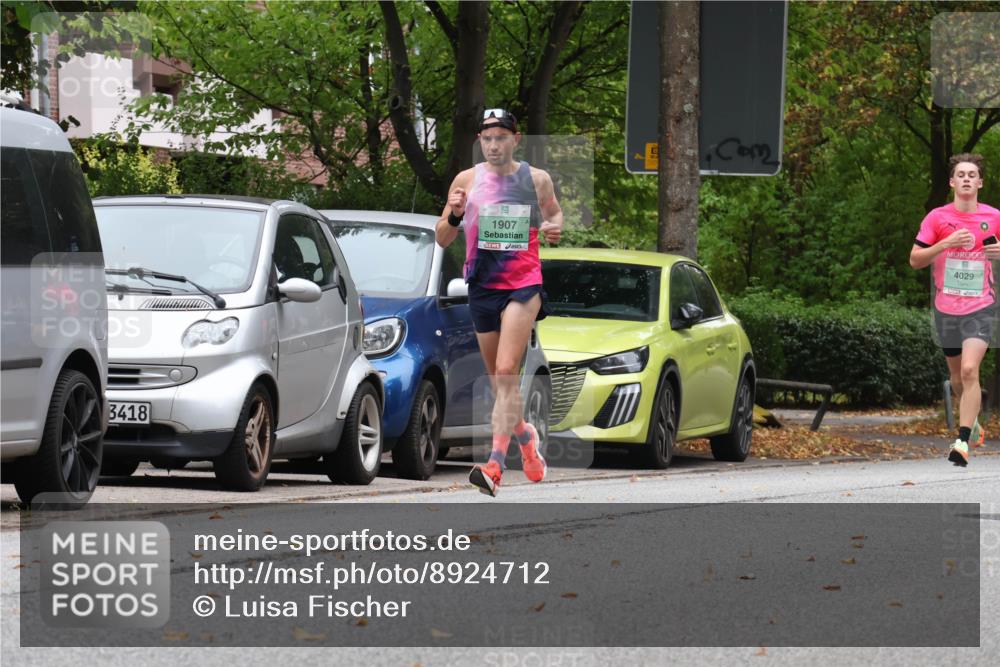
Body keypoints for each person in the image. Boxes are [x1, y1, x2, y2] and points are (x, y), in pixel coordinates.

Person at [435, 108, 563, 496]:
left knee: (507, 370)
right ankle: (526, 439)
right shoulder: (466, 180)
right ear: (480, 141)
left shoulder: (535, 179)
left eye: (501, 138)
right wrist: (455, 215)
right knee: (499, 382)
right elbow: (442, 238)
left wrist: (554, 227)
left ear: (515, 139)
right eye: (487, 138)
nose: (494, 145)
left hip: (524, 284)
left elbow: (554, 213)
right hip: (482, 286)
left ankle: (493, 465)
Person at [910, 153, 1000, 466]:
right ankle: (972, 421)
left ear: (980, 182)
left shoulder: (995, 216)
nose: (966, 178)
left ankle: (961, 441)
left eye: (972, 174)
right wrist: (945, 244)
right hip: (946, 309)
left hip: (981, 306)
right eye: (960, 174)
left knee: (969, 370)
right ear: (951, 182)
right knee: (957, 377)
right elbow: (915, 260)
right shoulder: (936, 218)